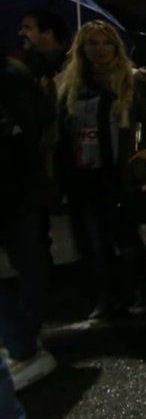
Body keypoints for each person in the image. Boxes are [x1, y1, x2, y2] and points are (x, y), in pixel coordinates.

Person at [57, 21, 146, 318]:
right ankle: (107, 296)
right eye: (93, 43)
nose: (100, 50)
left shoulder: (130, 81)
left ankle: (142, 290)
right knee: (94, 243)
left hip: (118, 173)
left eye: (106, 43)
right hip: (82, 175)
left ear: (116, 47)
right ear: (81, 48)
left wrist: (145, 153)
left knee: (126, 237)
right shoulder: (69, 85)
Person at [0, 52, 56, 389]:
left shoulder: (11, 75)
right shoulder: (14, 72)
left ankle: (24, 343)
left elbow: (38, 122)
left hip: (16, 191)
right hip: (19, 189)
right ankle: (24, 339)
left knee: (31, 265)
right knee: (30, 265)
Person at [17, 9, 69, 90]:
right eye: (22, 28)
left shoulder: (73, 61)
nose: (20, 33)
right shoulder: (25, 60)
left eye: (28, 28)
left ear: (48, 33)